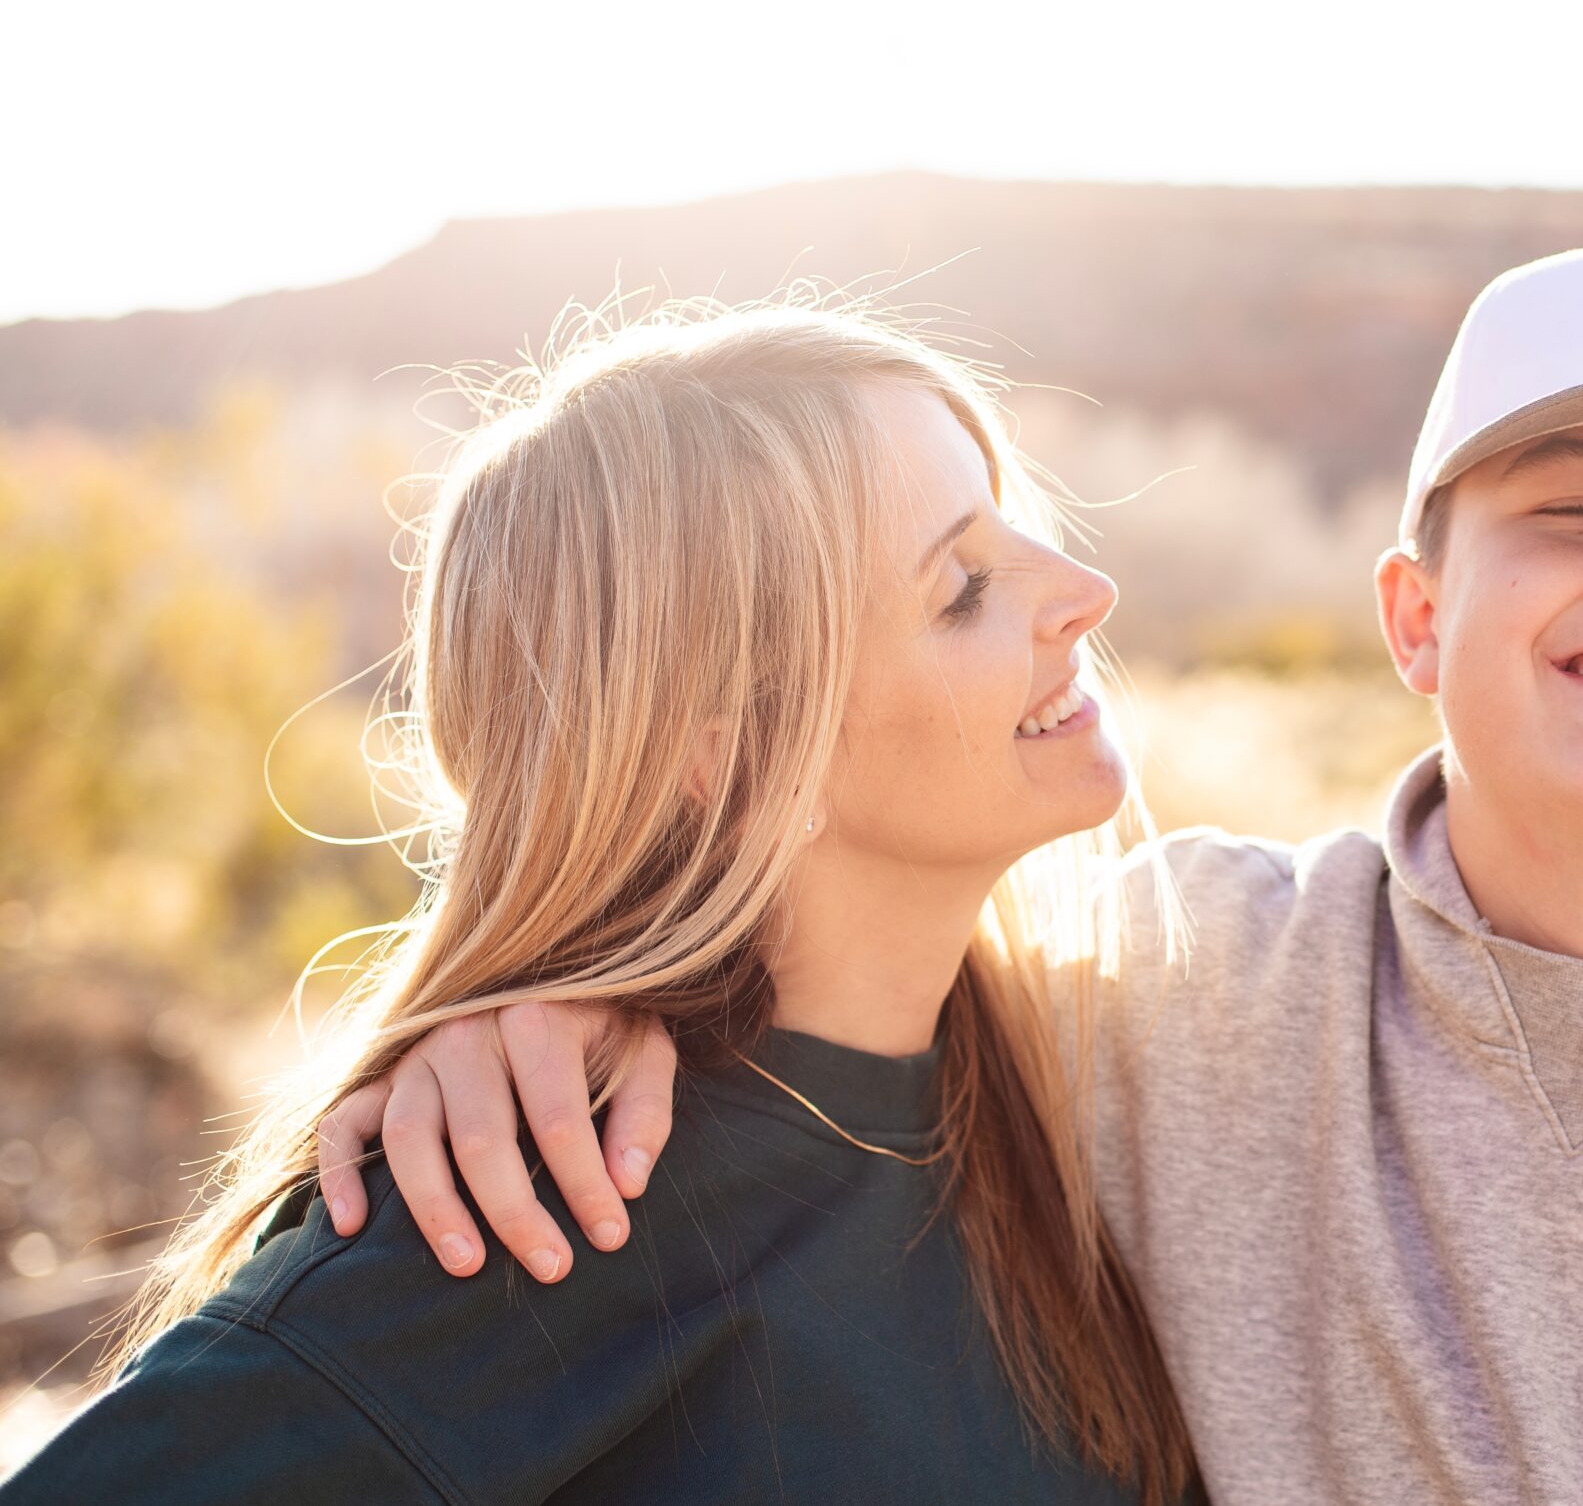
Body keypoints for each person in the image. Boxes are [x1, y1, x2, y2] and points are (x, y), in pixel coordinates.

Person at [315, 240, 1583, 1500]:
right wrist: (567, 995)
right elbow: (819, 908)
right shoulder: (1172, 995)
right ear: (1412, 615)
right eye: (1577, 510)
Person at [2, 306, 1198, 1504]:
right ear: (730, 760)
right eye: (964, 588)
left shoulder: (1095, 1084)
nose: (1085, 590)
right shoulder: (533, 1211)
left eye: (1014, 530)